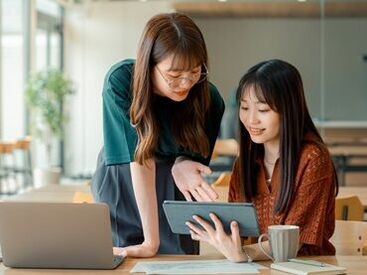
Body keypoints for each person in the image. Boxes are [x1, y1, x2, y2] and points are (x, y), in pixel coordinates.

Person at [91, 12, 225, 258]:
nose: (186, 83)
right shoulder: (120, 81)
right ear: (149, 64)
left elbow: (194, 160)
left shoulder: (210, 100)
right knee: (124, 257)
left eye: (195, 72)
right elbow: (140, 158)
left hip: (175, 184)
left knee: (180, 259)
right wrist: (150, 242)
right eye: (174, 75)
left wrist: (182, 162)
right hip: (125, 178)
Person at [186, 59, 338, 262]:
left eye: (263, 110)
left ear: (289, 110)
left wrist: (243, 254)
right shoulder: (245, 162)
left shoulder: (313, 159)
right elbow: (238, 231)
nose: (251, 119)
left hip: (306, 268)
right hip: (256, 267)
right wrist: (217, 234)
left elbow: (292, 243)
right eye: (245, 107)